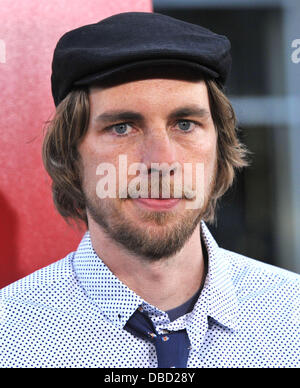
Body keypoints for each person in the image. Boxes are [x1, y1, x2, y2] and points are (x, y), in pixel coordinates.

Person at [0, 12, 299, 369]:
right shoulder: (10, 337)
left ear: (219, 147)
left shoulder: (292, 317)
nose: (161, 161)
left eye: (185, 124)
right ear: (70, 154)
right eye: (123, 127)